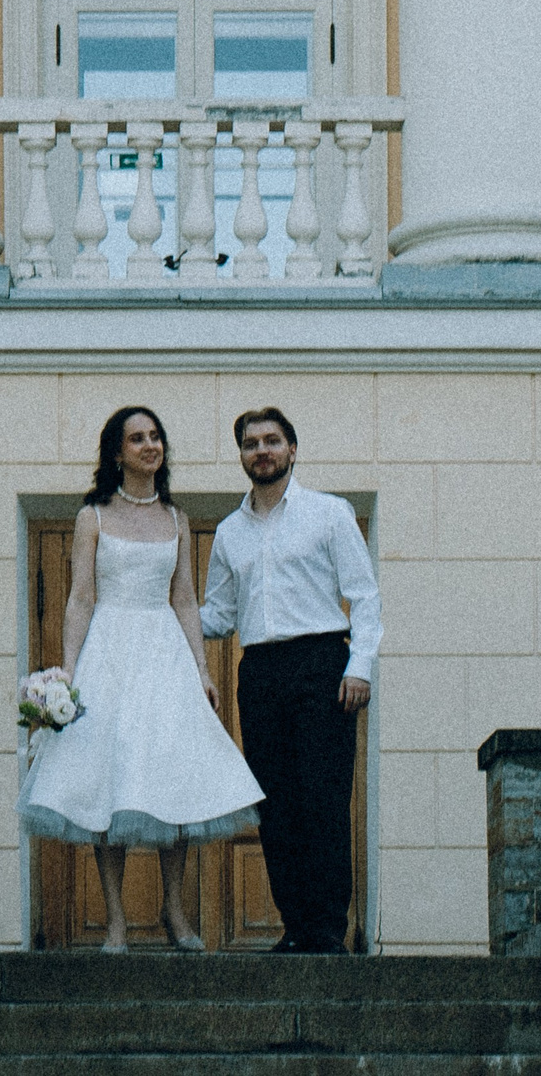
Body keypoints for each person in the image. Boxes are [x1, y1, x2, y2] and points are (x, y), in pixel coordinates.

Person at [17, 406, 262, 952]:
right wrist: (69, 671)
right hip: (109, 652)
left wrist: (202, 670)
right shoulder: (93, 517)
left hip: (164, 654)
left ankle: (175, 911)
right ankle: (116, 921)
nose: (150, 445)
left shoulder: (176, 518)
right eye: (137, 438)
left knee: (175, 776)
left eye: (156, 436)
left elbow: (185, 599)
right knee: (110, 781)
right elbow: (81, 598)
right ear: (117, 452)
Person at [199, 407, 381, 954]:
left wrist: (359, 665)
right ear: (241, 455)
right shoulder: (229, 533)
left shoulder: (329, 514)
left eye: (272, 441)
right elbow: (218, 615)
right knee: (274, 804)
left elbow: (364, 595)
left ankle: (326, 930)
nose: (262, 451)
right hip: (259, 672)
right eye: (251, 443)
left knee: (323, 799)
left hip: (322, 665)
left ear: (292, 450)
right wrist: (158, 620)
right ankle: (296, 927)